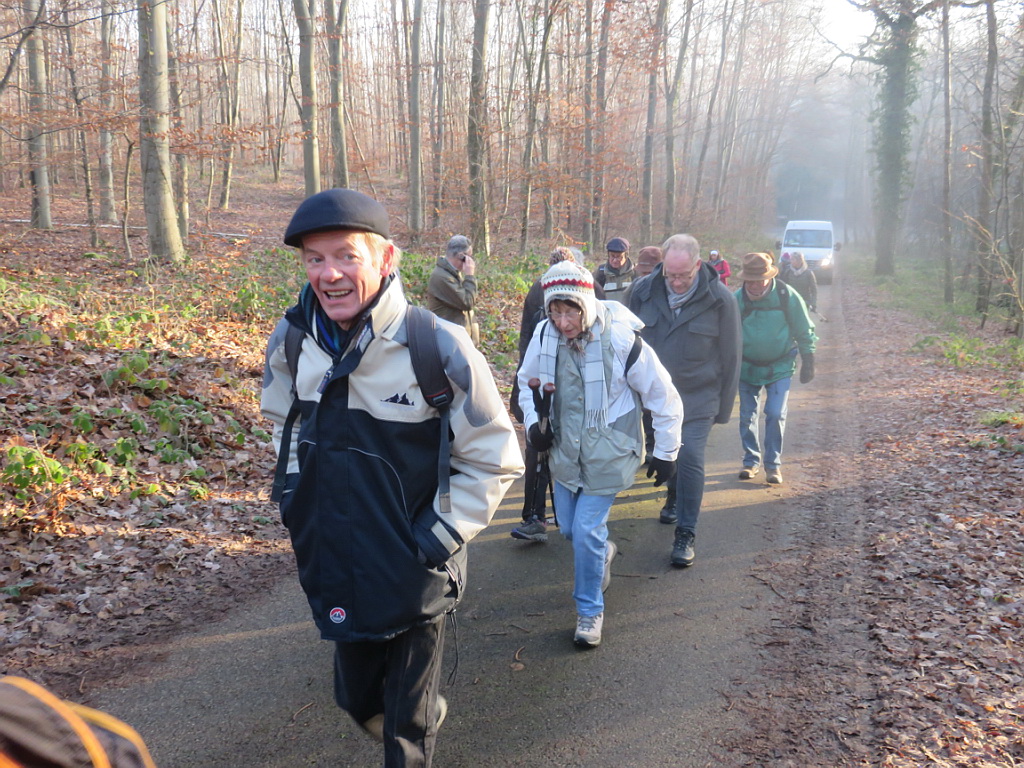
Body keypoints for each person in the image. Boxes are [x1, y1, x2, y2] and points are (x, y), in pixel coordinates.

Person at [261, 189, 523, 767]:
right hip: (336, 557)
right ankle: (410, 712)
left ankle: (417, 722)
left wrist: (432, 540)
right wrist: (297, 498)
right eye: (315, 258)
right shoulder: (293, 339)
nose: (328, 273)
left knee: (407, 730)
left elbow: (496, 455)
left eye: (346, 256)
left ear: (386, 259)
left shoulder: (437, 345)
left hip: (415, 566)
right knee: (355, 698)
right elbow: (283, 425)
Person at [518, 261, 683, 648]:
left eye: (570, 311)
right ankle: (601, 552)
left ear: (586, 304)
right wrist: (534, 424)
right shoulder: (544, 335)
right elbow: (527, 384)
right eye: (555, 311)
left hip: (610, 449)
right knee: (571, 530)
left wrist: (667, 451)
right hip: (564, 450)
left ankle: (590, 611)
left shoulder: (622, 340)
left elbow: (663, 395)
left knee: (586, 531)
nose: (563, 322)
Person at [627, 234, 741, 568]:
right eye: (671, 275)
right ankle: (674, 495)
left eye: (684, 276)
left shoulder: (720, 299)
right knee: (666, 452)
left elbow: (732, 355)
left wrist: (723, 409)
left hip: (698, 396)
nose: (676, 282)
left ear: (698, 264)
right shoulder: (642, 291)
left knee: (689, 454)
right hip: (654, 397)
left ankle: (686, 532)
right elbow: (623, 343)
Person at [509, 247, 605, 543]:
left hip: (582, 388)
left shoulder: (593, 288)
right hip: (542, 377)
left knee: (571, 451)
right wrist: (527, 377)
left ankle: (577, 518)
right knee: (537, 446)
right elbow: (528, 333)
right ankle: (534, 517)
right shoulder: (538, 290)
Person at [733, 252, 816, 486]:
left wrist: (808, 358)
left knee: (776, 413)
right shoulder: (736, 300)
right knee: (747, 415)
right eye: (750, 281)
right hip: (746, 367)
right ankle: (751, 461)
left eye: (760, 280)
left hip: (780, 366)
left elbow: (804, 329)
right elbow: (724, 334)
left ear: (769, 277)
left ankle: (773, 465)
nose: (755, 285)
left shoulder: (786, 295)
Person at [426, 234, 480, 345]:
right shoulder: (442, 277)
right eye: (469, 257)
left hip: (459, 341)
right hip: (450, 342)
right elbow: (467, 302)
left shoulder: (452, 273)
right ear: (461, 256)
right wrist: (470, 276)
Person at [592, 236, 635, 303]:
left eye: (618, 257)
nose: (615, 260)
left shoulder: (635, 273)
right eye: (612, 256)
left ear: (626, 256)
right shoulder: (601, 274)